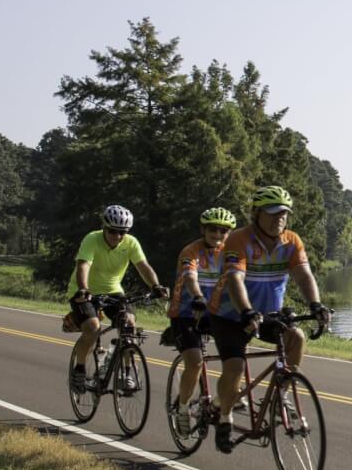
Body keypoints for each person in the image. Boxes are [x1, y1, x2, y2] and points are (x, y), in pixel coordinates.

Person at [206, 185, 331, 453]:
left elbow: (303, 275)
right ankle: (224, 417)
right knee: (235, 367)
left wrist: (316, 304)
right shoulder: (239, 240)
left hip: (267, 315)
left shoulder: (291, 241)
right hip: (230, 315)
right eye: (273, 213)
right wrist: (247, 311)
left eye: (283, 214)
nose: (279, 219)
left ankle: (280, 398)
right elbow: (235, 279)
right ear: (256, 214)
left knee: (296, 337)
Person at [68, 205, 168, 391]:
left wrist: (156, 286)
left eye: (122, 232)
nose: (117, 236)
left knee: (128, 325)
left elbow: (143, 266)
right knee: (92, 327)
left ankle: (125, 373)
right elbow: (83, 266)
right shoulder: (92, 239)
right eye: (113, 231)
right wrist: (83, 289)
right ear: (104, 227)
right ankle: (79, 370)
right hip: (84, 291)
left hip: (113, 291)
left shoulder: (131, 243)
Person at [165, 206, 236, 435]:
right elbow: (190, 277)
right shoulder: (191, 251)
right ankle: (183, 408)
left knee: (236, 355)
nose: (217, 235)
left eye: (223, 231)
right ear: (203, 230)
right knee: (195, 361)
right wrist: (197, 296)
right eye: (213, 230)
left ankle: (219, 400)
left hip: (215, 313)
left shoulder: (230, 254)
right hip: (186, 313)